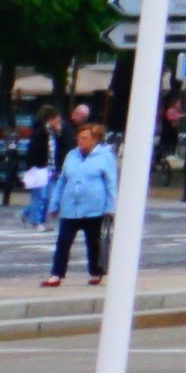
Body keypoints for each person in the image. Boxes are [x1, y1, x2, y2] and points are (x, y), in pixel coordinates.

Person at [46, 116, 121, 284]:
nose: (80, 141)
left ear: (95, 139)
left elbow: (111, 183)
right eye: (79, 137)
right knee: (63, 241)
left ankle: (96, 272)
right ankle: (56, 274)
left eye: (85, 138)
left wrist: (111, 207)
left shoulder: (105, 156)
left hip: (94, 208)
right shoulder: (72, 155)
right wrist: (55, 203)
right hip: (70, 207)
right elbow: (62, 180)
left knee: (93, 242)